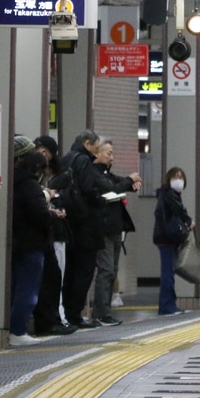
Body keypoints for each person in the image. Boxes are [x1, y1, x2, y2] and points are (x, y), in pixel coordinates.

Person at [9, 136, 66, 345]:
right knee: (28, 289)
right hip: (32, 243)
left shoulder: (12, 182)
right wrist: (53, 215)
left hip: (17, 242)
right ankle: (17, 330)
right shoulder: (30, 186)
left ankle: (15, 328)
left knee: (18, 287)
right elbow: (39, 215)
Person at [91, 138, 141, 326]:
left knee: (112, 270)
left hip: (115, 228)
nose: (112, 157)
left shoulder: (107, 174)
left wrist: (131, 183)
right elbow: (111, 189)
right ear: (96, 153)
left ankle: (105, 311)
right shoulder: (94, 174)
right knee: (106, 270)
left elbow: (118, 182)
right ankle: (100, 313)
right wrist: (129, 180)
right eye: (108, 153)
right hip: (103, 228)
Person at [60, 130, 107, 329]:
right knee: (84, 272)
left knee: (69, 271)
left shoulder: (66, 159)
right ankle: (74, 314)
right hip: (85, 225)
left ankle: (68, 313)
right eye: (96, 149)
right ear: (87, 144)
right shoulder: (84, 161)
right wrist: (100, 198)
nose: (96, 154)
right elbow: (88, 190)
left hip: (69, 224)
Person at [31, 135, 77, 336]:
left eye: (46, 153)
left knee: (56, 276)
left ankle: (59, 317)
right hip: (42, 232)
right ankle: (50, 320)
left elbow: (68, 198)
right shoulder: (33, 176)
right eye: (39, 151)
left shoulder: (62, 175)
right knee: (46, 279)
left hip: (56, 231)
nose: (42, 156)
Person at [152, 167, 194, 316]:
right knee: (168, 273)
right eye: (175, 177)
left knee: (169, 272)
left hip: (166, 238)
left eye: (181, 177)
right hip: (166, 238)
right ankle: (166, 306)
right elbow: (178, 210)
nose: (179, 180)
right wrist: (188, 221)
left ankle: (169, 304)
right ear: (169, 179)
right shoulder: (169, 194)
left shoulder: (167, 194)